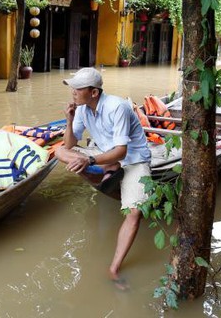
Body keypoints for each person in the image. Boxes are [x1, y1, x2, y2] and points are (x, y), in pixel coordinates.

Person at [54, 67, 152, 289]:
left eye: (78, 89)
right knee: (59, 151)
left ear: (94, 92)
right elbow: (68, 145)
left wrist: (88, 161)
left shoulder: (118, 106)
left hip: (133, 159)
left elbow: (122, 151)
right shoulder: (81, 109)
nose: (73, 92)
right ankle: (107, 170)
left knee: (134, 212)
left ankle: (114, 268)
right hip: (104, 156)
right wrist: (69, 120)